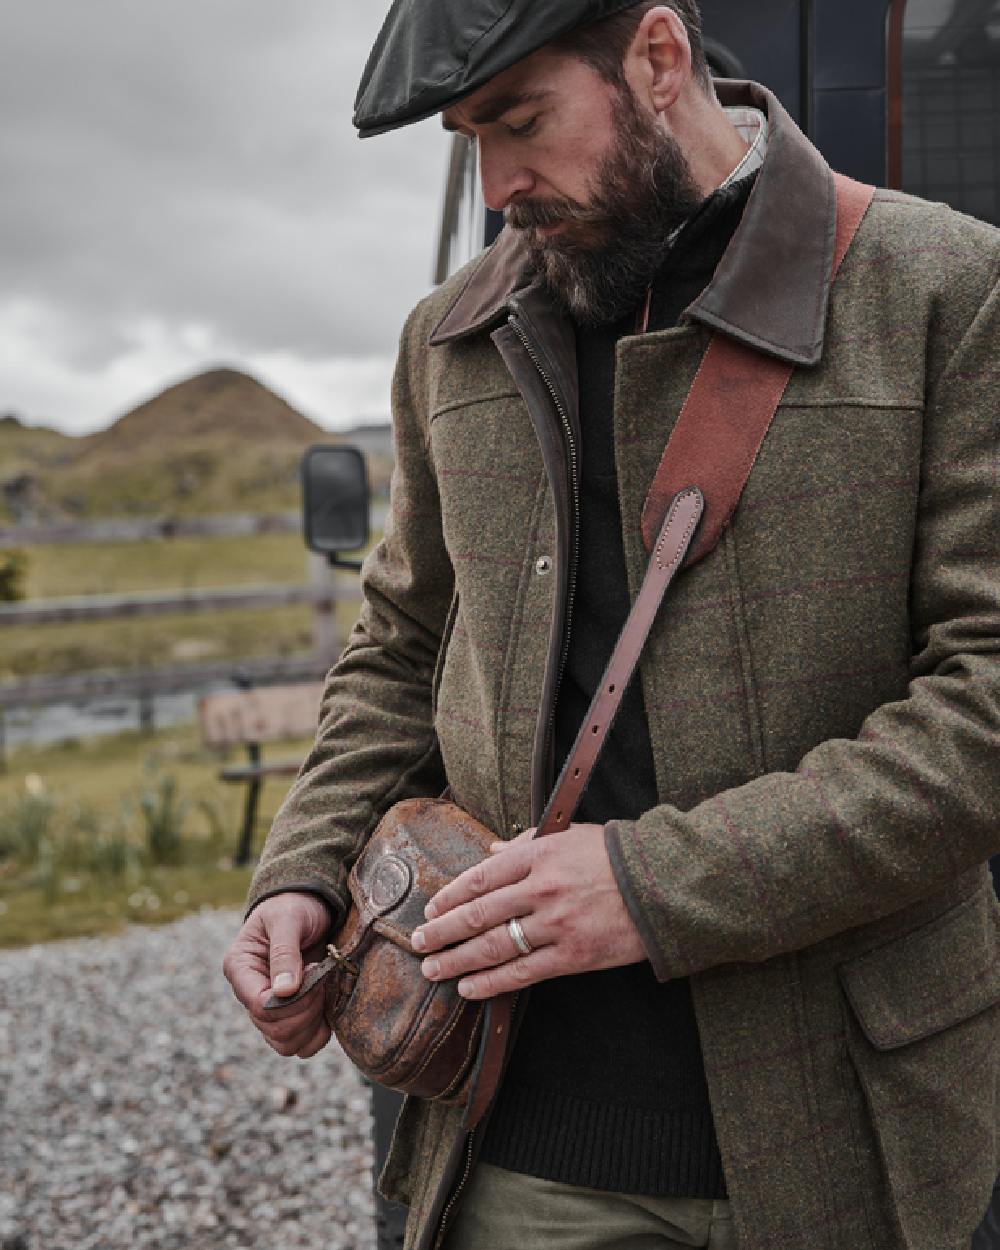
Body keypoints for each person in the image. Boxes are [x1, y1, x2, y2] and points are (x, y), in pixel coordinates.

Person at [222, 3, 1000, 1248]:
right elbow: (403, 642)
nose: (497, 186)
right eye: (468, 139)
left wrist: (650, 886)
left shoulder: (945, 289)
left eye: (521, 123)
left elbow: (986, 704)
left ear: (655, 56)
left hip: (845, 1132)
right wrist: (307, 866)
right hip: (513, 1139)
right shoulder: (445, 339)